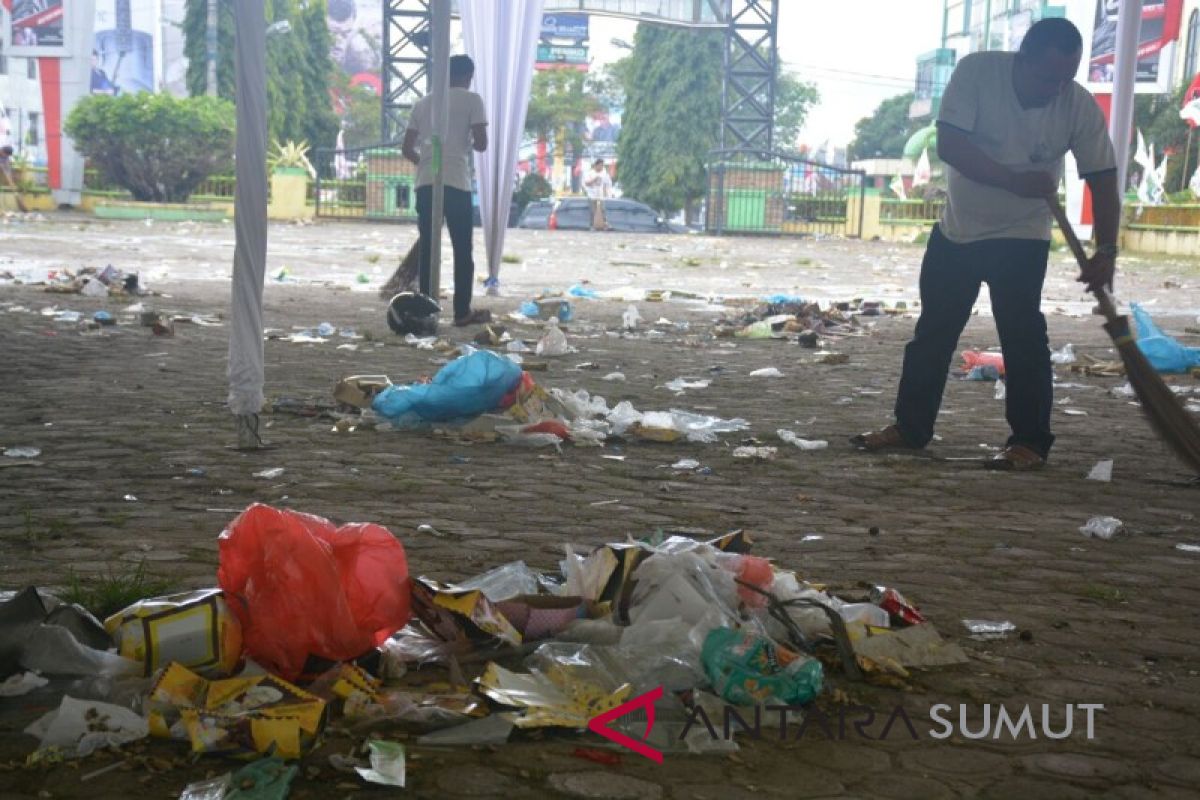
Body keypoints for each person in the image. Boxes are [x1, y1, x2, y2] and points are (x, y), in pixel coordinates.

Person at [851, 17, 1119, 471]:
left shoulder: (1077, 105)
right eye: (1046, 77)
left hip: (1023, 237)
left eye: (1064, 78)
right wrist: (1015, 180)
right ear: (1022, 59)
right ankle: (910, 428)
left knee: (1024, 338)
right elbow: (952, 146)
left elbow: (1103, 179)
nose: (1055, 89)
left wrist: (1107, 251)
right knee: (933, 334)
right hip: (958, 229)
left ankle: (1030, 442)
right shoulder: (977, 73)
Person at [402, 54, 490, 326]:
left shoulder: (423, 102)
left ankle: (428, 309)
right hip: (456, 182)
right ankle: (461, 311)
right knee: (462, 249)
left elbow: (406, 148)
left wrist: (428, 163)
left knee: (429, 249)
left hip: (427, 182)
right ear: (468, 76)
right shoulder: (472, 100)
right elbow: (482, 144)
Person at [583, 158, 613, 231]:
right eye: (600, 165)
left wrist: (608, 194)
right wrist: (594, 179)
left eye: (602, 166)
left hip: (601, 195)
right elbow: (586, 183)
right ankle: (591, 226)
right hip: (592, 195)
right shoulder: (589, 173)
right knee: (592, 211)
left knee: (603, 209)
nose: (601, 167)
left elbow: (607, 184)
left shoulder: (604, 173)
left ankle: (606, 224)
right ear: (596, 165)